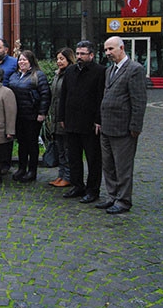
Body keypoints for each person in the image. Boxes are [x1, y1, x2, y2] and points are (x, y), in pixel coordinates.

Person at [97, 36, 147, 214]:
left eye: (111, 49)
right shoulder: (109, 71)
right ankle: (112, 196)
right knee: (108, 165)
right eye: (106, 50)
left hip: (123, 129)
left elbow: (139, 101)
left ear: (122, 48)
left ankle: (124, 200)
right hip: (107, 127)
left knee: (123, 167)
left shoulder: (135, 69)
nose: (108, 53)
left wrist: (135, 127)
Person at [58, 40, 106, 203]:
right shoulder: (70, 71)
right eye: (77, 53)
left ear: (91, 55)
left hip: (90, 123)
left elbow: (101, 98)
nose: (79, 57)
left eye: (82, 54)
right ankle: (77, 185)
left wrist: (98, 120)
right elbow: (64, 95)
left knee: (93, 159)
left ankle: (93, 190)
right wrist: (62, 117)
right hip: (71, 121)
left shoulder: (100, 72)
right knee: (74, 157)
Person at [8, 50, 50, 183]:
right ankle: (21, 168)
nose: (22, 62)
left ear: (31, 61)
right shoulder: (15, 75)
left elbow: (45, 95)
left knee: (32, 144)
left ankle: (32, 170)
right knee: (22, 143)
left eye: (24, 60)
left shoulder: (38, 75)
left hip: (32, 116)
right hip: (18, 115)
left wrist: (42, 113)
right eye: (20, 60)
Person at [48, 48, 76, 188]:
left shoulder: (70, 75)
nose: (59, 61)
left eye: (62, 59)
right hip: (55, 118)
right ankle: (61, 175)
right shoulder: (57, 75)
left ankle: (68, 176)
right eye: (57, 59)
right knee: (60, 149)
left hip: (65, 119)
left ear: (69, 59)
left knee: (66, 149)